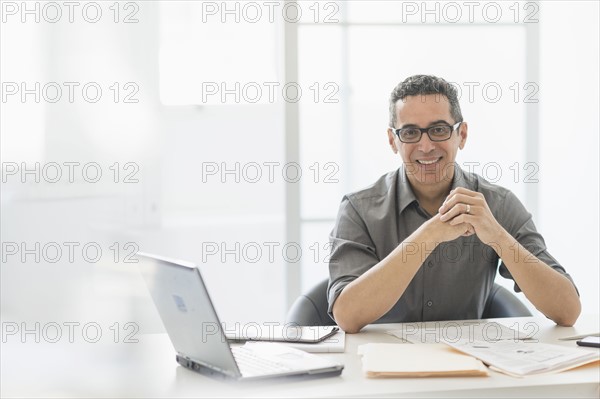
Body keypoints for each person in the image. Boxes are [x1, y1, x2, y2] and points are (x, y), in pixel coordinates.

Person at [328, 74, 580, 334]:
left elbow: (567, 311)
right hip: (380, 364)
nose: (425, 146)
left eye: (438, 129)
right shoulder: (358, 209)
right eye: (411, 132)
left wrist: (496, 235)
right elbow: (348, 316)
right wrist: (430, 234)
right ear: (394, 141)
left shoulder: (498, 204)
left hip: (469, 365)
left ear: (462, 134)